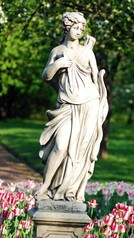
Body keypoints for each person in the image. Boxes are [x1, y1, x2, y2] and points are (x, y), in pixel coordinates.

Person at [35, 12, 108, 202]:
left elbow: (94, 78)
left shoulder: (87, 51)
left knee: (81, 150)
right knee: (60, 146)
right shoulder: (57, 51)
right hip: (67, 105)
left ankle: (70, 190)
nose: (79, 31)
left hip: (88, 103)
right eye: (76, 27)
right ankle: (46, 186)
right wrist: (58, 64)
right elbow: (46, 76)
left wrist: (99, 105)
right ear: (67, 28)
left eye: (81, 28)